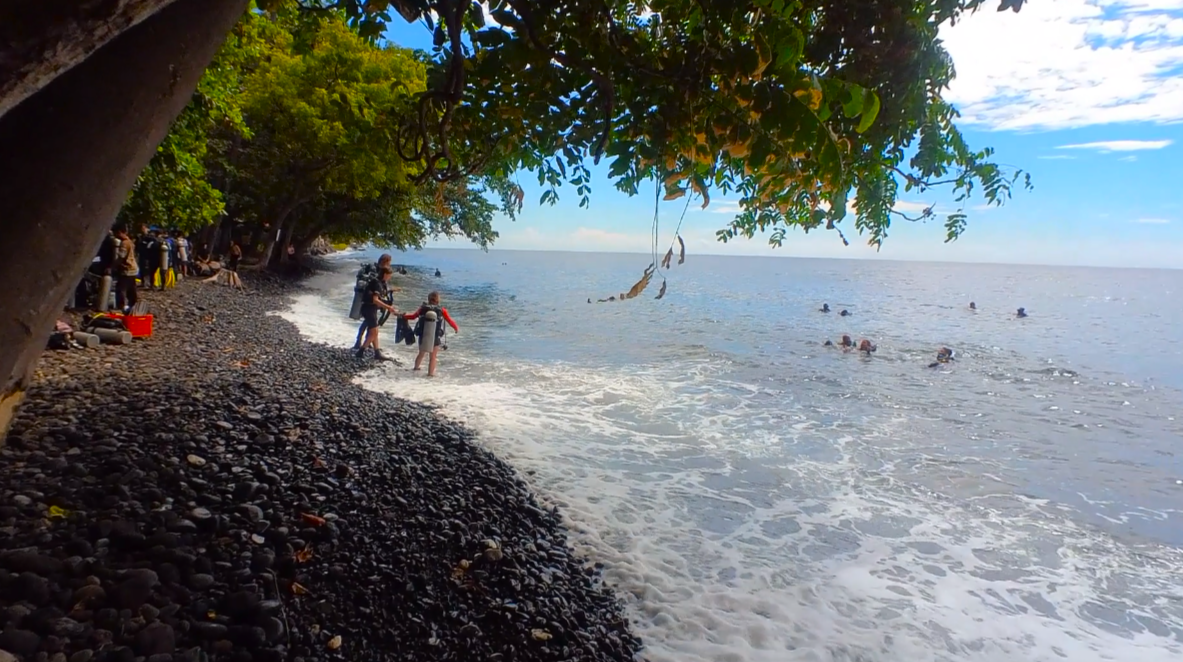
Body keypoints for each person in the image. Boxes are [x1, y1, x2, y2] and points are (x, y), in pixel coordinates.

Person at [404, 291, 459, 377]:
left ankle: (416, 368)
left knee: (421, 353)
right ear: (438, 300)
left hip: (423, 335)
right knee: (433, 357)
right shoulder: (442, 310)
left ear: (428, 299)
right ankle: (430, 374)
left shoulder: (422, 308)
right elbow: (449, 320)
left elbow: (413, 316)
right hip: (435, 336)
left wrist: (403, 316)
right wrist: (456, 328)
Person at [356, 267, 399, 360]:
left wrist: (391, 291)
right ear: (385, 274)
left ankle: (377, 353)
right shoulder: (377, 283)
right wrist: (388, 307)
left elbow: (380, 294)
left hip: (369, 308)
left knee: (374, 332)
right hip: (369, 309)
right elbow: (375, 300)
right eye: (389, 275)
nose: (390, 277)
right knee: (374, 332)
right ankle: (361, 351)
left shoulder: (378, 282)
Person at [352, 254, 394, 350]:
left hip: (371, 303)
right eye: (389, 262)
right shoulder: (378, 271)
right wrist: (387, 306)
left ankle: (367, 342)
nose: (389, 265)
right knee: (368, 323)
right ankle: (360, 342)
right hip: (370, 303)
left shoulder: (377, 270)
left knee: (370, 323)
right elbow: (376, 287)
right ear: (385, 261)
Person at [113, 226, 139, 312]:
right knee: (131, 288)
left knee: (121, 289)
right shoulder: (130, 241)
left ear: (120, 232)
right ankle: (133, 304)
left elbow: (121, 256)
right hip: (133, 268)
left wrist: (113, 266)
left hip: (126, 269)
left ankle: (121, 306)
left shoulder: (124, 243)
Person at [136, 226, 159, 290]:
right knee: (143, 270)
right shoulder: (141, 238)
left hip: (151, 257)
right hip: (143, 255)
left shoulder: (151, 239)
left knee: (152, 272)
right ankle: (144, 283)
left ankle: (152, 284)